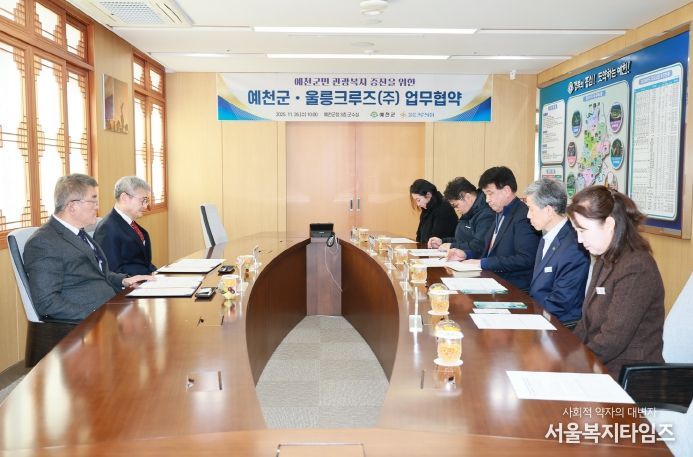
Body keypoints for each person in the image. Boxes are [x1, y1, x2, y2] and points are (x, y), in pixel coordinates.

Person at [23, 174, 153, 321]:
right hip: (87, 324)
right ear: (72, 206)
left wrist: (124, 280)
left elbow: (99, 273)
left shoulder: (79, 233)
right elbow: (47, 302)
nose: (97, 207)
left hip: (112, 308)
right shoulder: (44, 242)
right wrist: (97, 316)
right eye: (93, 202)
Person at [567, 185, 664, 379]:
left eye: (583, 230)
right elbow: (586, 323)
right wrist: (567, 351)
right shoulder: (604, 258)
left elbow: (612, 339)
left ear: (609, 224)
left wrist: (571, 363)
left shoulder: (637, 267)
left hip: (630, 376)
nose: (579, 240)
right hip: (602, 365)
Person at [454, 166, 540, 291]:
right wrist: (466, 254)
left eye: (490, 193)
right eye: (485, 194)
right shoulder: (499, 212)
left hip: (513, 288)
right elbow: (489, 250)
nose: (487, 200)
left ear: (506, 190)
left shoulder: (523, 216)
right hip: (491, 281)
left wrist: (483, 263)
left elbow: (525, 259)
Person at [525, 178, 590, 326]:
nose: (528, 215)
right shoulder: (547, 236)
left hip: (560, 325)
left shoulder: (574, 246)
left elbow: (561, 302)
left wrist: (528, 316)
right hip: (540, 315)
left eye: (531, 209)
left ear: (549, 210)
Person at [95, 176, 156, 275]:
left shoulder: (131, 224)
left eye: (147, 201)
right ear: (124, 198)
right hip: (130, 283)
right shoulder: (107, 228)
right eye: (143, 200)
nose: (145, 206)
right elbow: (112, 272)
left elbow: (145, 263)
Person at [428, 177, 494, 260]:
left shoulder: (486, 214)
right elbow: (462, 239)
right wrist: (443, 241)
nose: (456, 209)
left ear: (467, 197)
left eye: (456, 205)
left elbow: (479, 246)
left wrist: (451, 246)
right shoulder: (469, 211)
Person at [410, 178, 457, 244]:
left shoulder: (443, 208)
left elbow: (436, 239)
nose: (418, 204)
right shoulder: (427, 208)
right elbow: (419, 236)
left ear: (428, 195)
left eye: (418, 200)